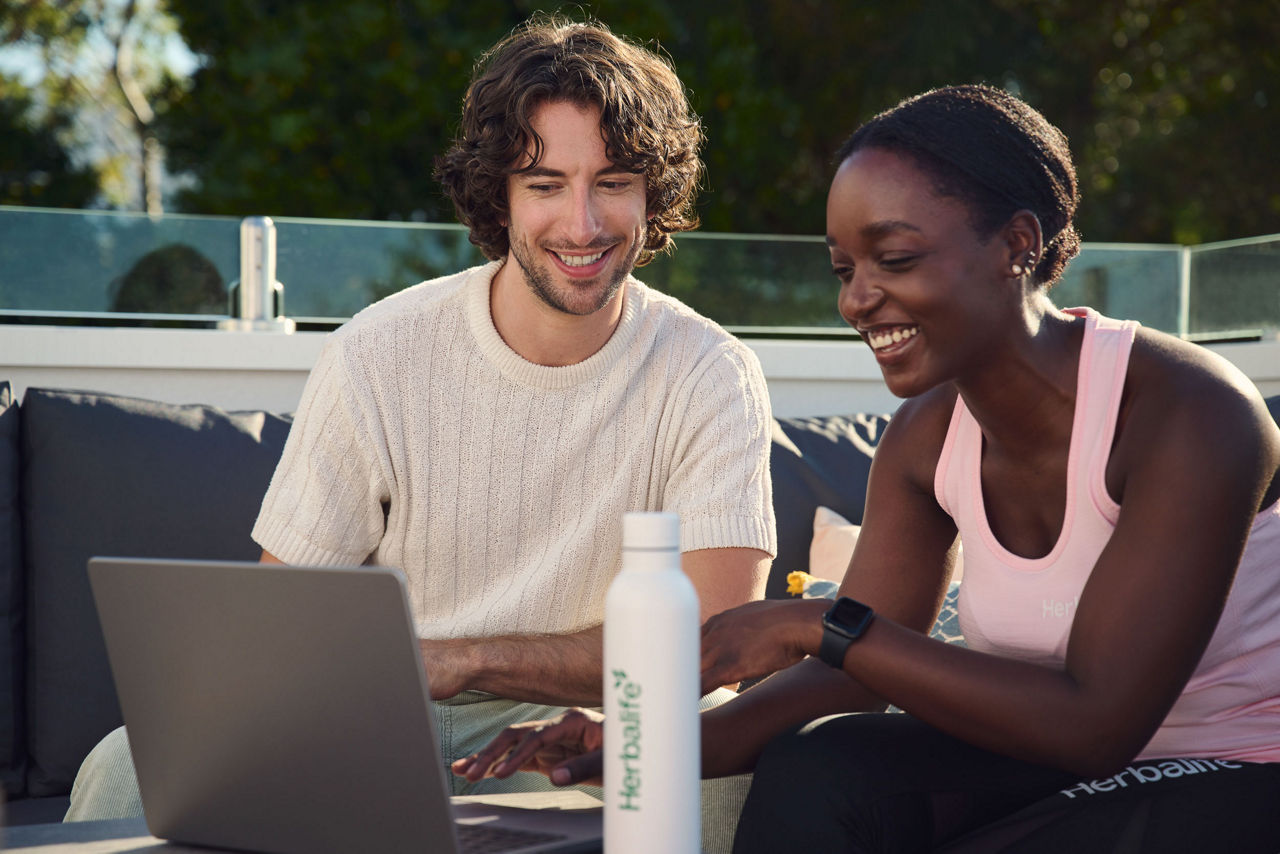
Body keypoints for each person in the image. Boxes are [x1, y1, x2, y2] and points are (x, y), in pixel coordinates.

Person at [454, 84, 1280, 852]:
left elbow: (1097, 725)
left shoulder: (1191, 413)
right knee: (825, 765)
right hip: (1046, 758)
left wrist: (814, 623)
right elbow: (840, 684)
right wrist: (635, 745)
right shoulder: (927, 435)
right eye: (845, 269)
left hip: (1239, 762)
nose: (857, 300)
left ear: (1017, 246)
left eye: (895, 258)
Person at [65, 15, 776, 835]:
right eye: (546, 185)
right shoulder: (378, 351)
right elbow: (283, 620)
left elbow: (711, 642)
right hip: (373, 707)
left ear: (653, 192)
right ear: (499, 196)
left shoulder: (711, 372)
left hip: (582, 724)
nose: (582, 224)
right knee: (122, 765)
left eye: (612, 181)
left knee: (715, 756)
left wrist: (470, 658)